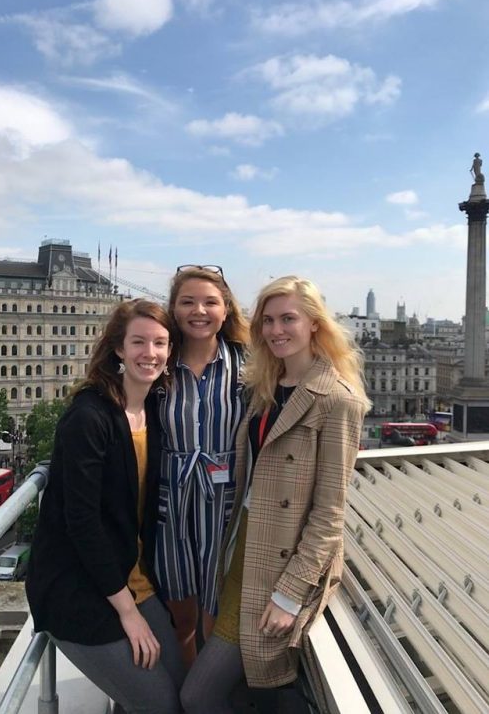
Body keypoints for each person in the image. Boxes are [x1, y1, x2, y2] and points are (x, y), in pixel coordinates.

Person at [181, 276, 369, 714]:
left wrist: (288, 594)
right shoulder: (265, 384)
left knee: (198, 694)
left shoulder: (338, 401)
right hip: (240, 542)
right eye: (267, 320)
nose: (275, 330)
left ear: (315, 325)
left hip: (280, 562)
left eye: (289, 318)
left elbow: (329, 513)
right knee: (229, 681)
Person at [25, 299, 185, 714]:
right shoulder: (90, 417)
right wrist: (129, 614)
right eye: (139, 342)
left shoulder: (154, 411)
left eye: (160, 343)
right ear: (118, 348)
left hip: (131, 577)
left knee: (183, 688)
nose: (149, 353)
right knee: (160, 703)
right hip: (79, 588)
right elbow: (82, 521)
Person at [155, 265, 250, 667]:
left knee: (216, 606)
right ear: (174, 309)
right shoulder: (158, 363)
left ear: (225, 310)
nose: (199, 310)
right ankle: (181, 688)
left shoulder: (248, 365)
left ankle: (204, 696)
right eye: (188, 301)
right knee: (180, 612)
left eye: (210, 301)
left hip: (224, 500)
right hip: (169, 500)